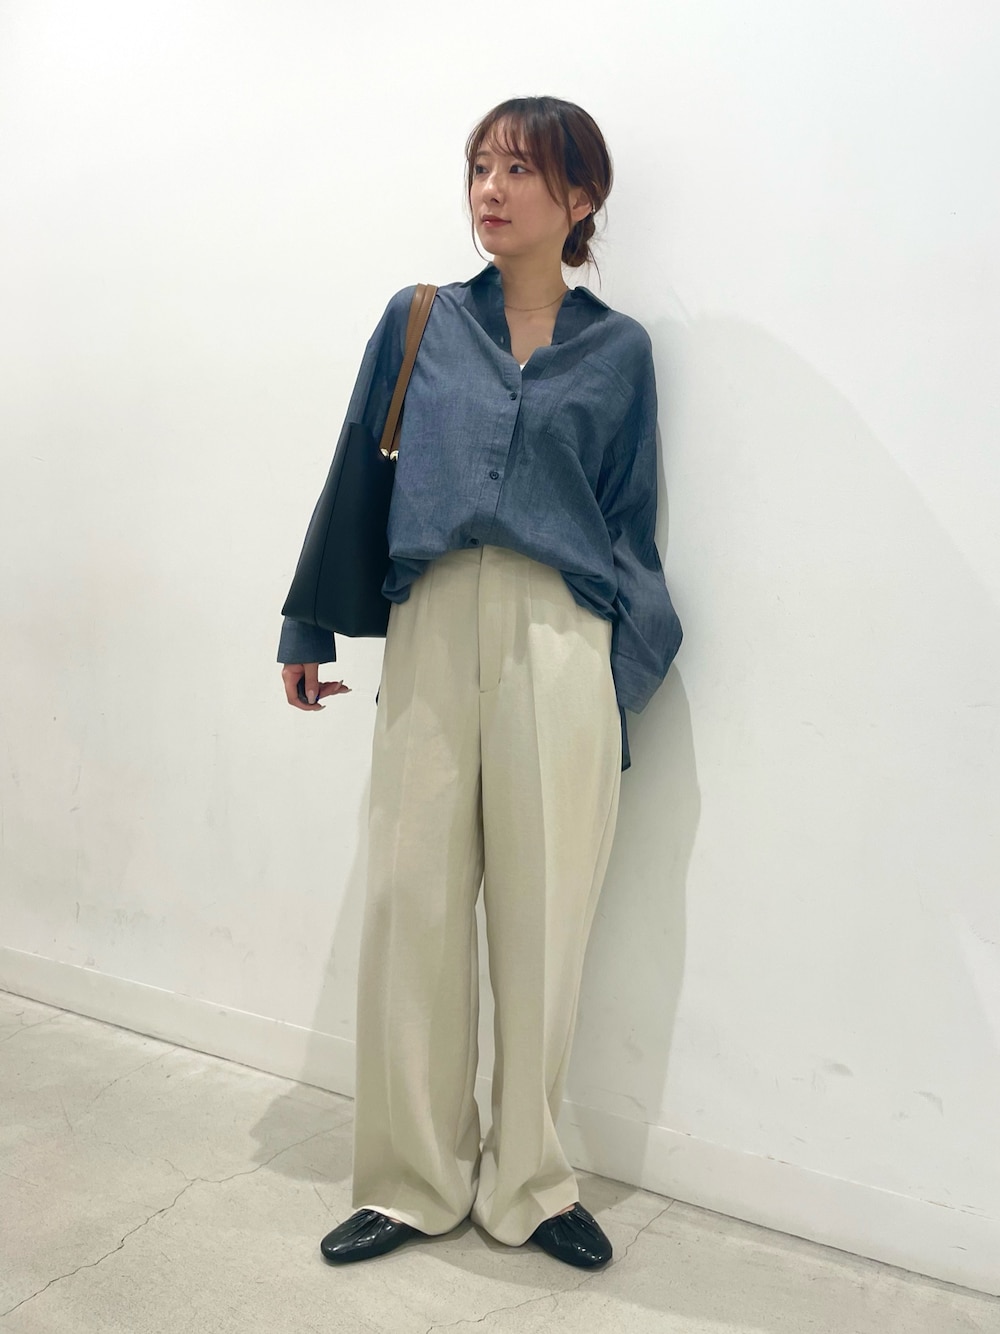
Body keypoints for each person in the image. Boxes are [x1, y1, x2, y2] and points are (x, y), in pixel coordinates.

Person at [277, 96, 682, 1270]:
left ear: (580, 198)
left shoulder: (619, 352)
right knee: (411, 903)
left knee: (546, 919)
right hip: (434, 616)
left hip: (561, 635)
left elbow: (630, 522)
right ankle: (412, 1180)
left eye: (520, 170)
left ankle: (530, 1182)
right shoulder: (419, 322)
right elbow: (357, 470)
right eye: (479, 167)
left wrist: (614, 675)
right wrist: (309, 621)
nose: (490, 190)